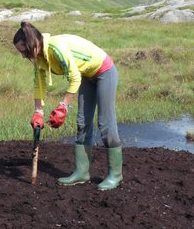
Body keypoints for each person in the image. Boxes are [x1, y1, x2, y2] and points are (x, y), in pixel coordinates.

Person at [13, 21, 122, 191]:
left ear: (32, 44)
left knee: (105, 123)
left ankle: (115, 175)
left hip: (104, 71)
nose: (24, 56)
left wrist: (63, 106)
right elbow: (39, 83)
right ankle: (82, 172)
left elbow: (74, 77)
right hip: (87, 75)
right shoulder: (39, 58)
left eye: (25, 52)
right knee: (82, 121)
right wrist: (38, 112)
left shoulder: (56, 48)